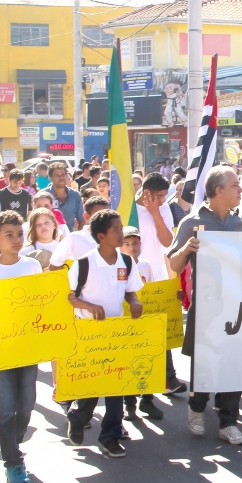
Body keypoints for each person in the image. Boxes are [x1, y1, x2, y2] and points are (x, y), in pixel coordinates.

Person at [168, 166, 242, 445]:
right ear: (219, 191)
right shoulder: (191, 223)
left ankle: (229, 421)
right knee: (205, 362)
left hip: (238, 307)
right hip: (206, 307)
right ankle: (197, 408)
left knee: (234, 364)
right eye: (236, 185)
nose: (241, 190)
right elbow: (174, 264)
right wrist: (186, 249)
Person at [64, 210, 144, 458]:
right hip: (90, 335)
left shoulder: (127, 262)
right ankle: (78, 416)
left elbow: (130, 290)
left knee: (115, 387)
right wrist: (89, 306)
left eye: (122, 228)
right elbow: (69, 299)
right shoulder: (84, 264)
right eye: (116, 230)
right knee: (91, 388)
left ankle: (110, 436)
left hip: (116, 333)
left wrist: (134, 301)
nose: (121, 234)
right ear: (101, 236)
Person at [0, 211, 43, 483]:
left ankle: (12, 443)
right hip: (0, 348)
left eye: (19, 234)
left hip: (27, 347)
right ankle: (13, 464)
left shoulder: (32, 266)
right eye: (9, 235)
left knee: (26, 404)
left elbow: (43, 303)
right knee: (4, 407)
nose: (16, 240)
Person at [135, 173, 184, 398]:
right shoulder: (130, 209)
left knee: (160, 329)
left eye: (166, 196)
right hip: (133, 280)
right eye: (161, 196)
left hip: (158, 277)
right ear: (147, 194)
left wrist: (155, 212)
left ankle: (168, 377)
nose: (164, 200)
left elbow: (167, 242)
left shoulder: (163, 209)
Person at [119, 226, 174, 420]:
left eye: (135, 243)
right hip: (125, 322)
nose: (131, 247)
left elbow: (152, 290)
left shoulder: (145, 265)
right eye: (127, 244)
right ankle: (129, 405)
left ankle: (148, 401)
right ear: (120, 246)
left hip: (144, 319)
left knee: (148, 361)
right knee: (128, 364)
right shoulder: (118, 266)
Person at [48, 196, 110, 269]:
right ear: (86, 217)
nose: (103, 220)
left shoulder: (113, 239)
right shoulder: (73, 238)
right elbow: (54, 265)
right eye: (98, 216)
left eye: (107, 216)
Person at [44, 161, 85, 230]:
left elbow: (81, 219)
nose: (61, 178)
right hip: (49, 238)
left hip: (69, 238)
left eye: (63, 175)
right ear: (50, 178)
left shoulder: (75, 195)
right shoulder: (44, 195)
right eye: (57, 175)